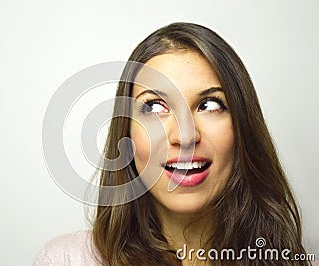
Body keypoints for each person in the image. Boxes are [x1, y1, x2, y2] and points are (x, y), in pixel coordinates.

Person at [34, 22, 314, 265]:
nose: (186, 136)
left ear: (242, 128)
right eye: (155, 107)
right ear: (126, 135)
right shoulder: (65, 260)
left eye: (209, 104)